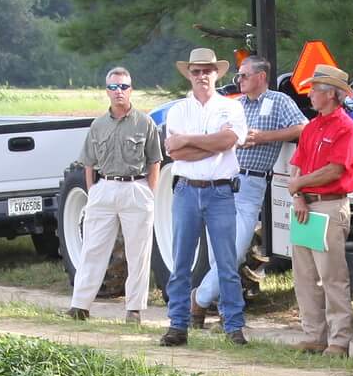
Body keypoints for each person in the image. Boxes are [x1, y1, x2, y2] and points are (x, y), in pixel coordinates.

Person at [193, 55, 304, 324]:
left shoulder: (279, 101)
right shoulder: (236, 106)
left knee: (236, 251)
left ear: (261, 77)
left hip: (251, 184)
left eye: (243, 75)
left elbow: (304, 128)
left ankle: (198, 301)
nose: (238, 80)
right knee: (219, 251)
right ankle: (225, 311)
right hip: (222, 180)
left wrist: (266, 137)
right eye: (238, 76)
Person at [160, 47, 250, 346]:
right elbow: (175, 151)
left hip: (221, 190)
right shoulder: (178, 110)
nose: (201, 76)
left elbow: (229, 141)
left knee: (226, 262)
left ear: (216, 73)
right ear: (190, 75)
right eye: (196, 71)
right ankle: (178, 325)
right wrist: (210, 144)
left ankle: (234, 326)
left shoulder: (231, 107)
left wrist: (189, 140)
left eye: (206, 70)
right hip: (186, 188)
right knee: (181, 260)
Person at [68, 66, 162, 322]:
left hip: (135, 187)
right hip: (105, 187)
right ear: (106, 91)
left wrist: (149, 193)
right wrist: (93, 191)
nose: (118, 91)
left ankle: (134, 309)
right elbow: (88, 161)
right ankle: (80, 305)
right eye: (113, 87)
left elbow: (155, 160)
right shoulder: (97, 125)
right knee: (93, 248)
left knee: (138, 251)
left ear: (131, 90)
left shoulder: (145, 123)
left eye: (123, 86)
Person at [288, 64, 353, 356]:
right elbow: (297, 163)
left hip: (330, 205)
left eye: (315, 90)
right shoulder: (312, 127)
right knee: (305, 275)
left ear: (331, 94)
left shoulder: (347, 129)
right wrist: (298, 196)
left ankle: (339, 340)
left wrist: (298, 187)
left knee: (332, 276)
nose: (310, 95)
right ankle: (314, 335)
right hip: (307, 205)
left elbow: (334, 171)